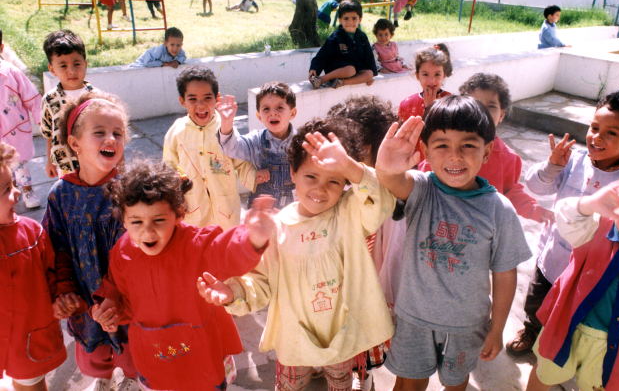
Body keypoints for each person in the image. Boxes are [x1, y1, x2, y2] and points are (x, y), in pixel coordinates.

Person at [199, 117, 396, 391]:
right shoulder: (277, 227)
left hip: (341, 331)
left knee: (341, 383)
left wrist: (351, 167)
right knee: (291, 385)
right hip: (294, 333)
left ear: (346, 183)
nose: (320, 189)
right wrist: (233, 293)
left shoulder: (351, 213)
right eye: (310, 176)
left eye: (334, 180)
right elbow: (260, 282)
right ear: (292, 173)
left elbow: (383, 199)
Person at [376, 96, 532, 391]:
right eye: (442, 144)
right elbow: (391, 180)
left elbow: (505, 274)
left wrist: (497, 329)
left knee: (456, 384)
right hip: (414, 320)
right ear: (425, 150)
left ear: (487, 152)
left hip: (466, 326)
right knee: (408, 385)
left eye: (468, 145)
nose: (455, 156)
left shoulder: (499, 210)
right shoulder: (421, 189)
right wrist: (385, 165)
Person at [88, 158, 275, 391]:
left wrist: (253, 237)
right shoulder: (122, 252)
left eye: (159, 220)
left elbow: (225, 252)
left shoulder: (196, 244)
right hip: (153, 354)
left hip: (200, 352)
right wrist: (110, 307)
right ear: (123, 220)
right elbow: (117, 289)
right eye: (136, 221)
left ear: (178, 214)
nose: (147, 230)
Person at [507, 90, 619, 356]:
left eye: (612, 133)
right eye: (595, 127)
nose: (597, 136)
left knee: (575, 309)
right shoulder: (573, 161)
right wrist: (552, 166)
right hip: (552, 258)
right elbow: (534, 186)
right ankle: (532, 329)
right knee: (537, 300)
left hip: (591, 269)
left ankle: (564, 340)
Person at [41, 91, 139, 391]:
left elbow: (141, 252)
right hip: (84, 299)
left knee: (134, 352)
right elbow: (57, 250)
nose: (111, 139)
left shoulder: (132, 192)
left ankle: (136, 380)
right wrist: (65, 291)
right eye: (100, 132)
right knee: (94, 356)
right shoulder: (60, 194)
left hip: (126, 297)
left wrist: (117, 297)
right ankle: (104, 379)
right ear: (74, 143)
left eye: (118, 133)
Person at [526, 180, 619, 391]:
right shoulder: (598, 227)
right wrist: (589, 204)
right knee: (544, 373)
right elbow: (565, 215)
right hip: (565, 325)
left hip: (613, 344)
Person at [328, 95, 400, 391]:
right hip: (352, 283)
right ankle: (361, 375)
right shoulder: (342, 186)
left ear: (364, 149)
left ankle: (363, 376)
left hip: (380, 282)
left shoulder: (391, 187)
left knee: (368, 334)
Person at [418, 73, 554, 223]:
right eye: (476, 104)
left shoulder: (508, 157)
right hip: (442, 222)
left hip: (483, 227)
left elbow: (510, 192)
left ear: (501, 114)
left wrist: (534, 210)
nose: (482, 111)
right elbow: (423, 181)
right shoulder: (444, 149)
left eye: (491, 106)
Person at [0, 142, 67, 391]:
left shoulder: (31, 233)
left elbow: (53, 271)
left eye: (14, 184)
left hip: (26, 339)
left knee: (31, 384)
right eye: (7, 189)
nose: (17, 193)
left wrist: (61, 296)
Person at [163, 65, 257, 229]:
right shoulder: (177, 131)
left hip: (226, 213)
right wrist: (173, 180)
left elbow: (241, 163)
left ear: (217, 99)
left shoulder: (225, 129)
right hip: (193, 212)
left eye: (207, 98)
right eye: (192, 99)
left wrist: (258, 181)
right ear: (182, 101)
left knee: (225, 250)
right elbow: (168, 166)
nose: (200, 105)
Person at [217, 81, 297, 209]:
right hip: (261, 210)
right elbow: (230, 148)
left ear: (292, 113)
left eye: (279, 108)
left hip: (292, 209)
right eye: (266, 109)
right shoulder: (255, 140)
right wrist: (226, 122)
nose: (273, 113)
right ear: (259, 116)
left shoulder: (301, 142)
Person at [41, 29, 94, 179]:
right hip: (65, 167)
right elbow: (48, 133)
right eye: (63, 66)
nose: (71, 71)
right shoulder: (49, 100)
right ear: (52, 69)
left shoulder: (95, 97)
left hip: (92, 163)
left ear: (85, 64)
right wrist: (49, 161)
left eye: (77, 64)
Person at [0, 28, 42, 209]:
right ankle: (9, 192)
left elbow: (31, 95)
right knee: (3, 166)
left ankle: (28, 191)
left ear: (1, 48)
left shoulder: (11, 72)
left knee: (20, 161)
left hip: (16, 128)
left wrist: (40, 119)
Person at [309, 0, 378, 90]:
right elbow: (323, 54)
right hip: (337, 69)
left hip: (355, 70)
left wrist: (370, 77)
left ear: (360, 19)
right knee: (350, 70)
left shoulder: (362, 37)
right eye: (346, 18)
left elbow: (369, 56)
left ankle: (341, 82)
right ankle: (322, 80)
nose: (350, 22)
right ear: (340, 19)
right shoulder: (336, 37)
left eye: (354, 18)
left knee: (369, 73)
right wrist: (314, 67)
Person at [397, 43, 452, 154]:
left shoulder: (452, 102)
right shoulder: (407, 104)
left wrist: (431, 108)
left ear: (444, 75)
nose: (431, 81)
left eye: (437, 74)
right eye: (425, 74)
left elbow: (451, 134)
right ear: (418, 76)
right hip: (413, 162)